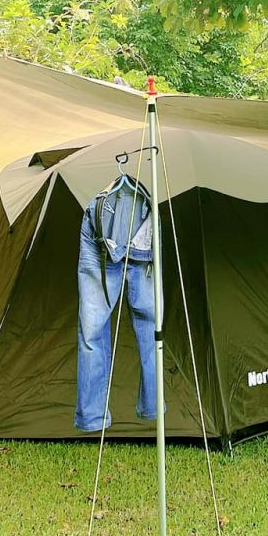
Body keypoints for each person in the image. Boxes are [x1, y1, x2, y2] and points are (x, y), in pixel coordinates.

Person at [75, 173, 157, 432]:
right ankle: (152, 405)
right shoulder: (148, 205)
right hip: (143, 236)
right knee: (151, 326)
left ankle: (92, 416)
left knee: (92, 331)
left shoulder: (94, 207)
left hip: (102, 234)